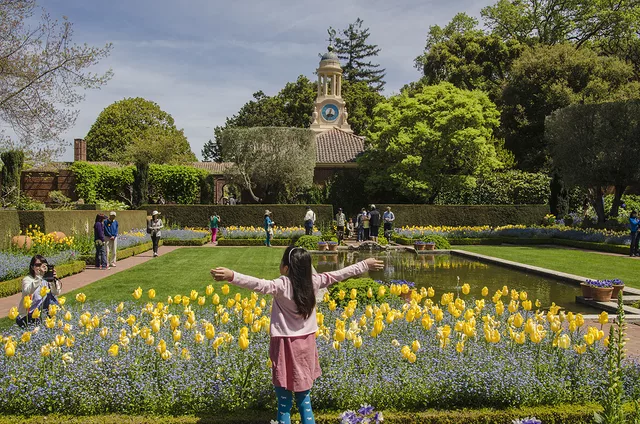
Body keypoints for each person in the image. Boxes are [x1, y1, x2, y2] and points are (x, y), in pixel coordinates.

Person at [210, 246, 384, 424]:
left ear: (286, 267)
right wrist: (365, 264)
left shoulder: (282, 285)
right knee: (304, 400)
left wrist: (232, 275)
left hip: (284, 345)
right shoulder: (314, 282)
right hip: (306, 345)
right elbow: (340, 274)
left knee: (284, 403)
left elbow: (258, 284)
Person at [16, 255, 62, 328]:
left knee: (51, 298)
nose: (40, 267)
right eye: (38, 265)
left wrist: (53, 280)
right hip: (28, 314)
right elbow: (28, 291)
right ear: (32, 267)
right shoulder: (27, 279)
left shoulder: (46, 278)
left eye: (43, 265)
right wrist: (39, 277)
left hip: (42, 312)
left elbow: (56, 292)